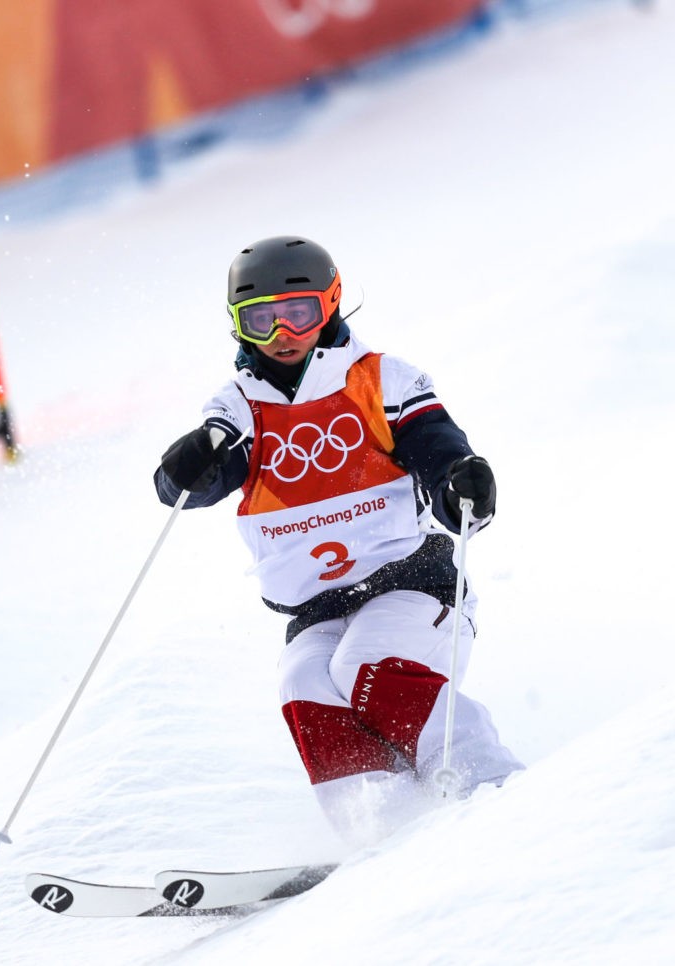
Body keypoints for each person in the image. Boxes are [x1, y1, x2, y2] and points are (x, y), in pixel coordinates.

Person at [154, 236, 522, 843]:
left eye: (297, 312)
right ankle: (382, 824)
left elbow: (438, 453)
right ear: (238, 326)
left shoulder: (381, 380)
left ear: (331, 303)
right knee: (302, 683)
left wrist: (461, 483)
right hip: (316, 610)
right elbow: (192, 487)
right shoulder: (240, 407)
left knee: (362, 667)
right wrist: (183, 467)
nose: (281, 335)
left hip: (414, 586)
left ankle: (489, 781)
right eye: (260, 320)